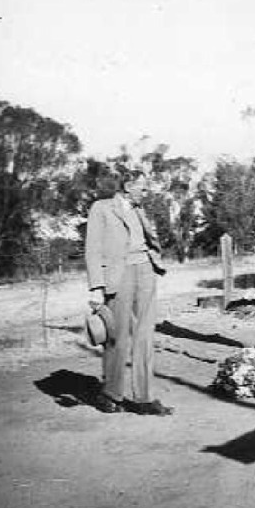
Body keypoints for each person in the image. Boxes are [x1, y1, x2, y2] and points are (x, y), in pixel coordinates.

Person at [85, 170, 173, 416]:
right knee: (118, 336)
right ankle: (110, 394)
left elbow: (149, 239)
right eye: (143, 189)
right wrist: (96, 287)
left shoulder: (139, 210)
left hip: (145, 270)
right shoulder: (101, 208)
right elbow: (92, 250)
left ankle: (144, 398)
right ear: (127, 186)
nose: (146, 193)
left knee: (145, 335)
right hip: (118, 275)